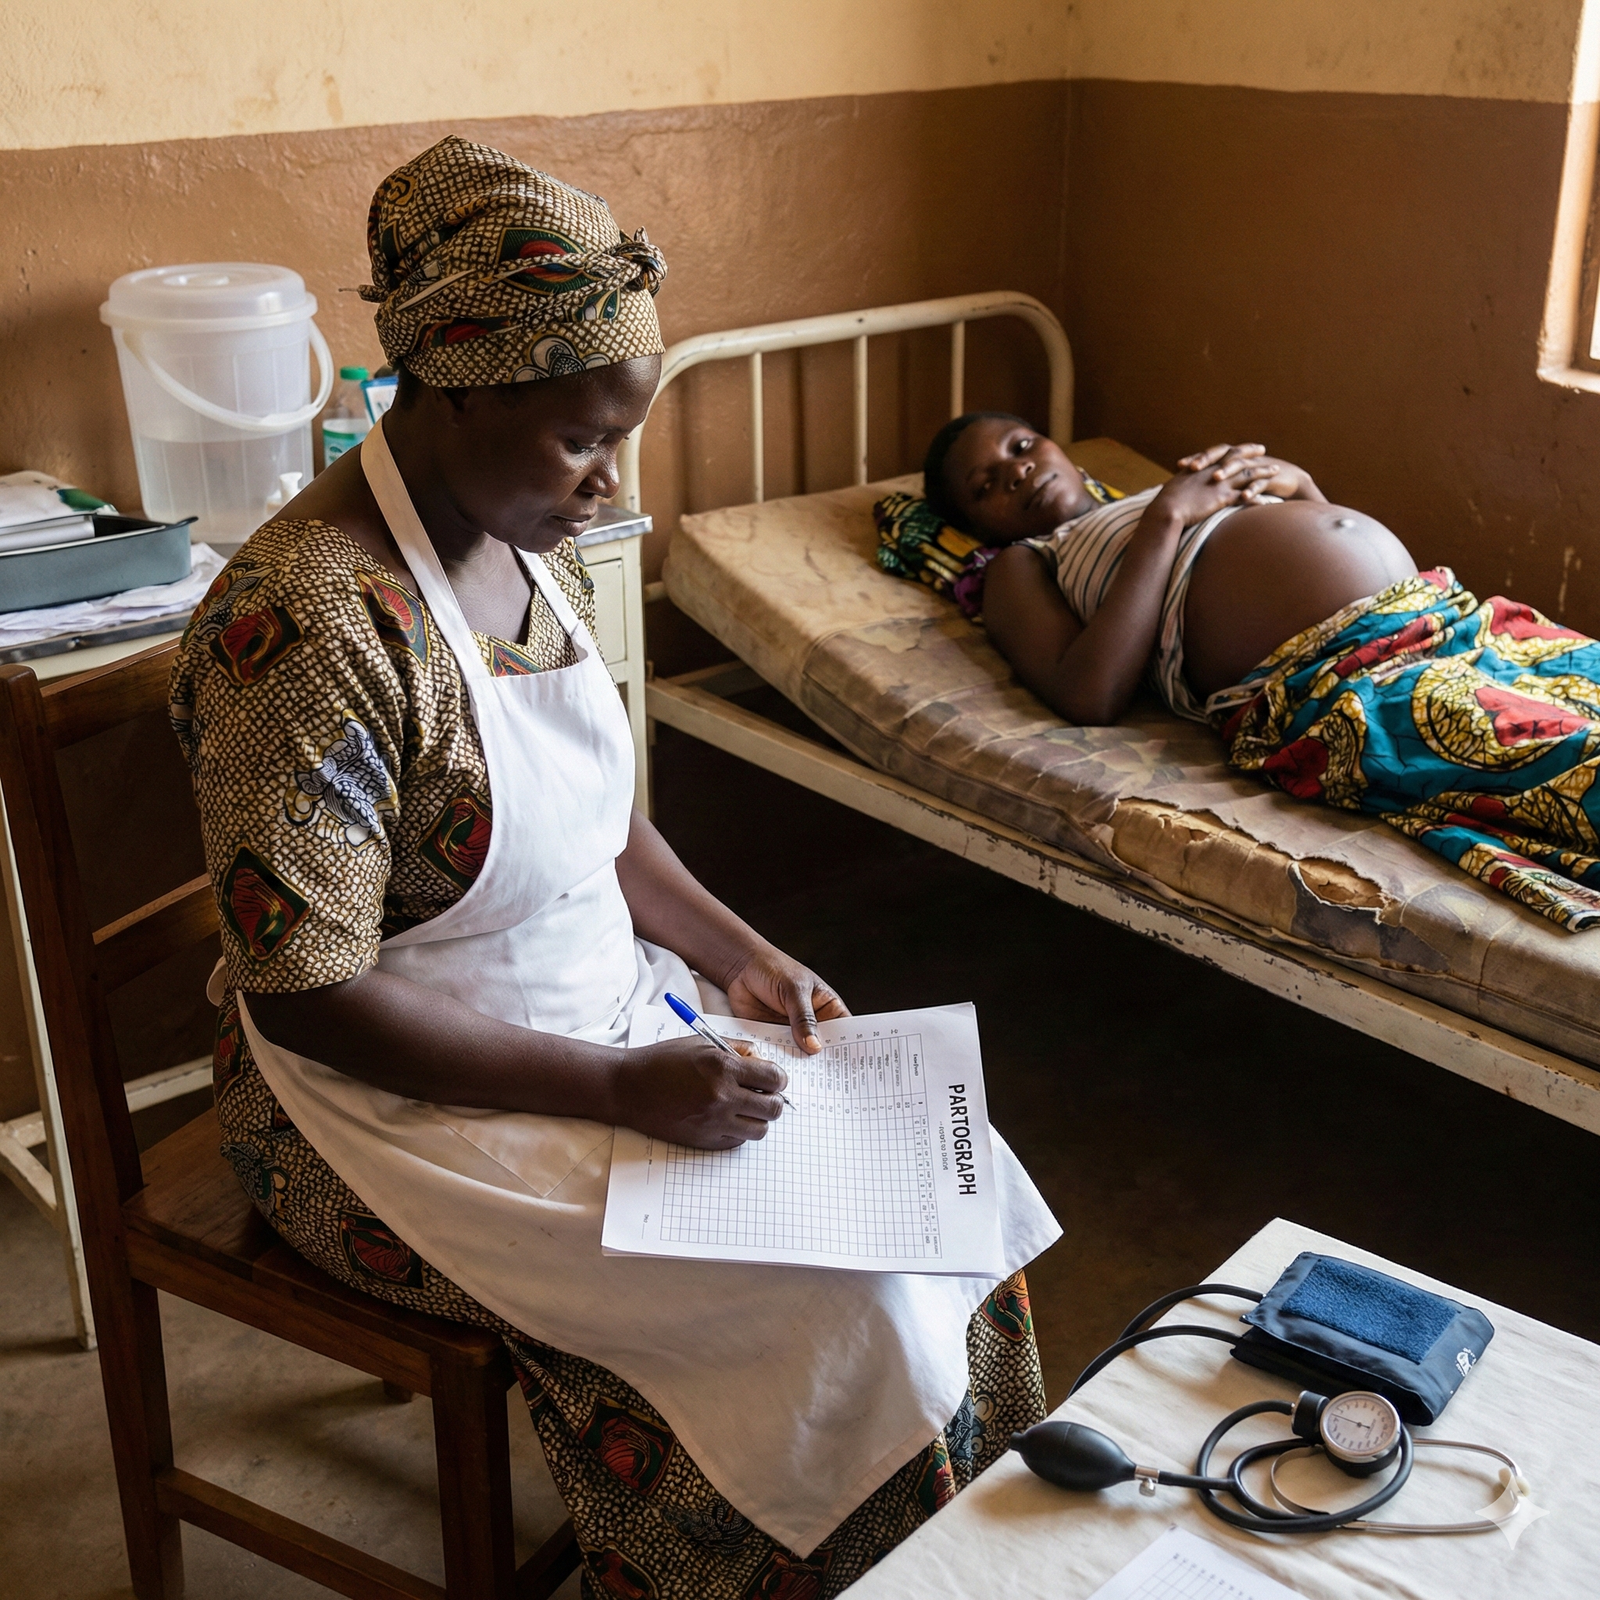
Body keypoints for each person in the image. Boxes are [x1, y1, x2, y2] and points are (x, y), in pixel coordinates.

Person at [172, 139, 1058, 1598]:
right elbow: (309, 998)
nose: (607, 481)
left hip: (606, 1009)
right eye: (585, 439)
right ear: (453, 393)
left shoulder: (525, 539)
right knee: (833, 1315)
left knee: (952, 1209)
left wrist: (733, 953)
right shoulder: (308, 626)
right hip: (373, 1101)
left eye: (618, 437)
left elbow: (604, 825)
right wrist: (621, 1092)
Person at [917, 411, 1600, 931]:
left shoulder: (1169, 489)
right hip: (1334, 684)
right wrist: (1166, 517)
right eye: (986, 486)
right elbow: (1088, 692)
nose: (1017, 472)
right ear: (979, 526)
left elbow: (1308, 546)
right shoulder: (1027, 561)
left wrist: (1297, 488)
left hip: (1435, 619)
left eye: (1022, 446)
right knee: (1567, 753)